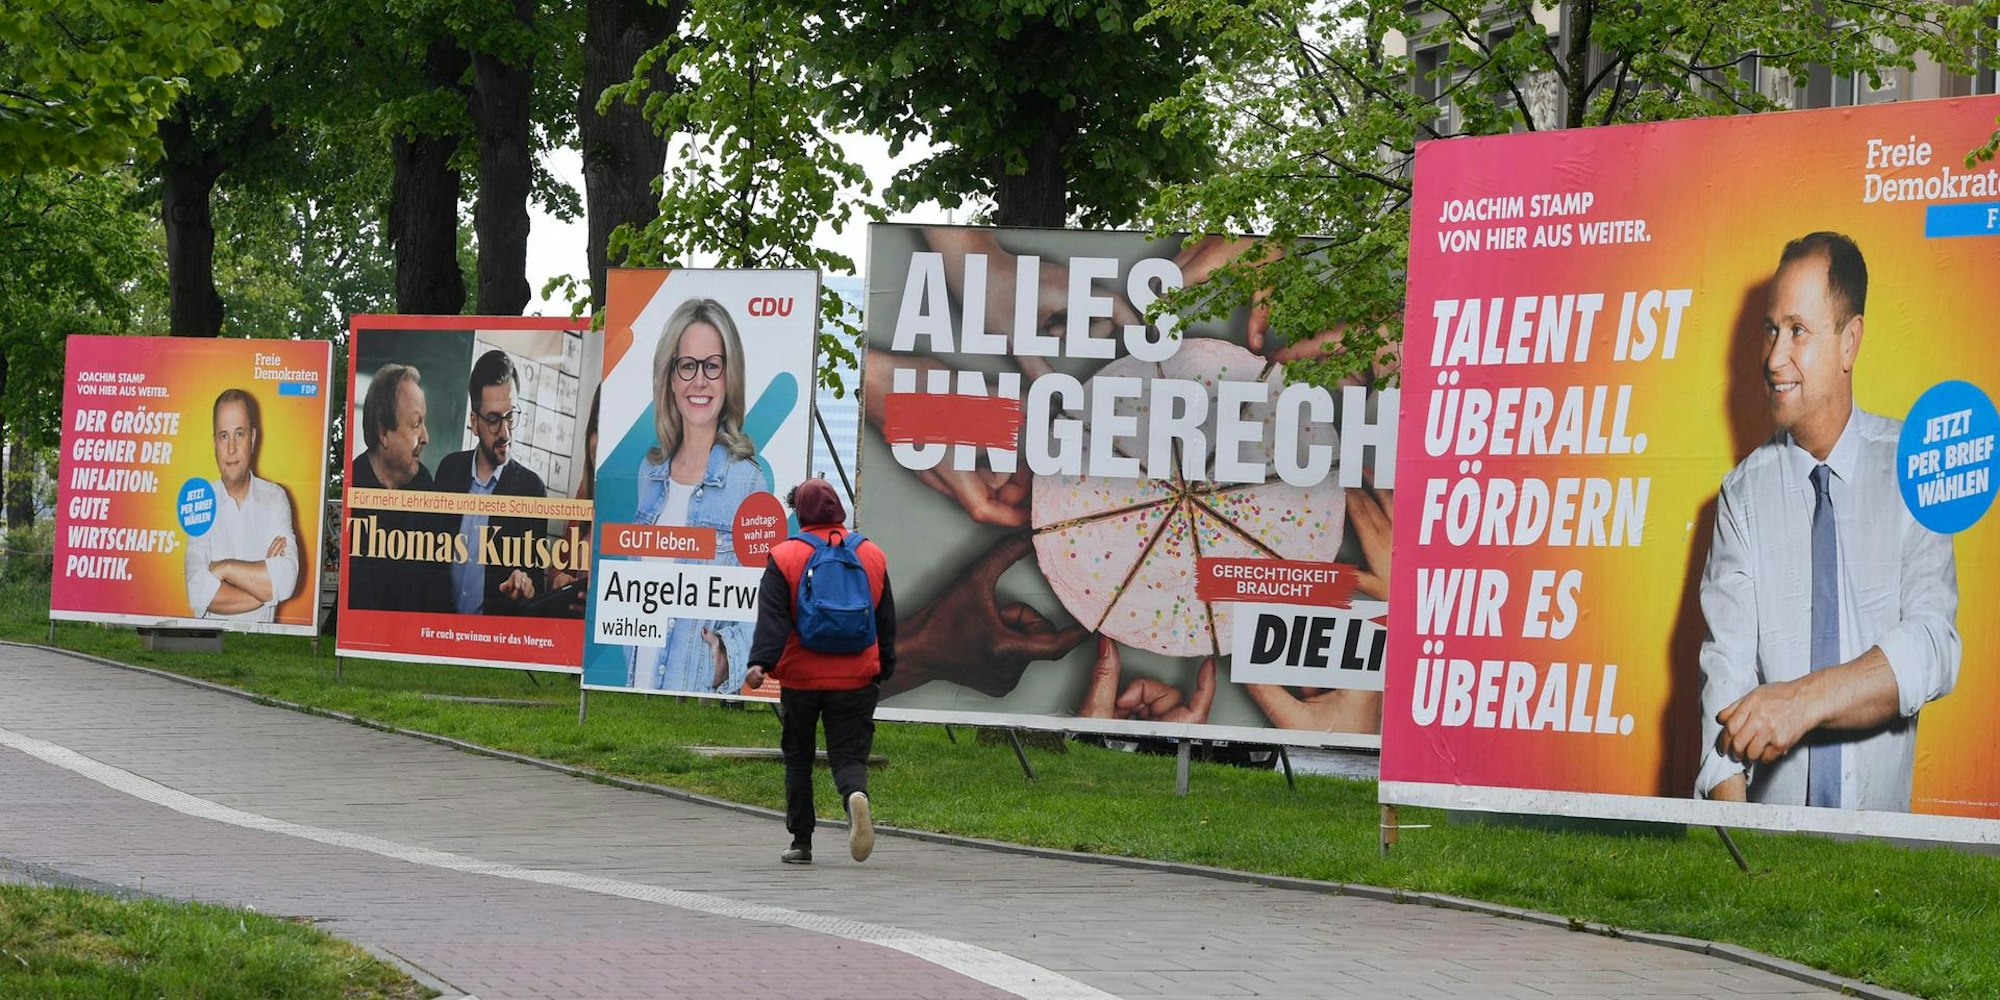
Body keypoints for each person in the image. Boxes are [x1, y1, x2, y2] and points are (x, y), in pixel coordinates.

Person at [1697, 232, 1960, 812]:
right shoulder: (1741, 498)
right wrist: (1738, 856)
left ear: (1850, 343)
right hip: (1767, 856)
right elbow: (1726, 679)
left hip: (1880, 862)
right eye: (1771, 329)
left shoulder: (1915, 468)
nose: (1773, 358)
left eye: (1798, 331)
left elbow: (1933, 647)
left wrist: (1800, 701)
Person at [747, 478, 895, 865]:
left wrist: (760, 663)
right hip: (857, 676)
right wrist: (885, 666)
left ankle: (802, 842)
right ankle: (854, 797)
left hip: (802, 677)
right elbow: (885, 618)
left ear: (800, 512)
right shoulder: (871, 554)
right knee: (848, 757)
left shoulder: (785, 556)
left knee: (798, 758)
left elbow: (773, 620)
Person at [627, 298, 765, 694]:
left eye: (712, 366)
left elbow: (762, 603)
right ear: (670, 376)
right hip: (633, 691)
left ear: (729, 376)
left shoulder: (748, 483)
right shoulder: (648, 474)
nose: (699, 381)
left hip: (695, 696)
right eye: (687, 365)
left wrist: (726, 657)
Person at [434, 350, 548, 615]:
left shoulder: (531, 490)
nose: (505, 432)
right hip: (438, 635)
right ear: (474, 422)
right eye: (494, 419)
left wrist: (525, 585)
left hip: (493, 641)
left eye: (510, 416)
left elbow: (534, 580)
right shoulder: (449, 471)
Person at [184, 389, 301, 624]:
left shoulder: (275, 499)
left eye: (240, 434)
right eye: (223, 436)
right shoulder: (199, 501)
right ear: (214, 443)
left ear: (253, 438)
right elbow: (197, 593)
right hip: (208, 649)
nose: (231, 449)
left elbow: (286, 581)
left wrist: (224, 568)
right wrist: (266, 593)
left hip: (261, 649)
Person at [348, 362, 450, 613]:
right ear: (384, 433)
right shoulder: (353, 484)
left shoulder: (429, 491)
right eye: (416, 424)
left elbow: (439, 588)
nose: (426, 437)